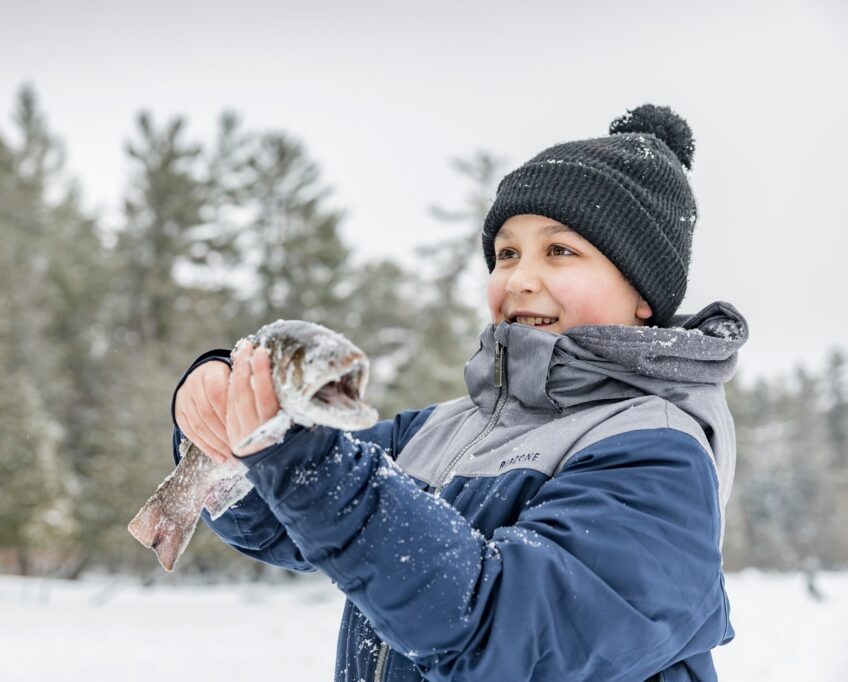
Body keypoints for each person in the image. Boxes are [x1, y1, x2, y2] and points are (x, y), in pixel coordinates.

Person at [171, 104, 748, 682]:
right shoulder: (442, 430)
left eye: (560, 251)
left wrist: (310, 463)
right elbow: (282, 517)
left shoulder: (660, 453)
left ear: (642, 291)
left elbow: (507, 633)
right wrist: (226, 411)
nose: (520, 278)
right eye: (507, 253)